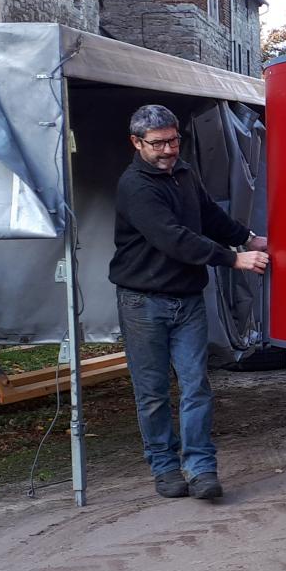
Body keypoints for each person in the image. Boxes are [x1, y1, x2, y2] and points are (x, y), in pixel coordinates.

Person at [110, 104, 269, 500]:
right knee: (152, 393)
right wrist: (234, 258)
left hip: (187, 300)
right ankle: (164, 468)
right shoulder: (135, 187)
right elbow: (173, 238)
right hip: (143, 303)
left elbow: (209, 215)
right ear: (136, 143)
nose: (168, 150)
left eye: (174, 140)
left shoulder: (183, 172)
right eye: (159, 143)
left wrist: (248, 238)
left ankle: (200, 469)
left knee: (196, 385)